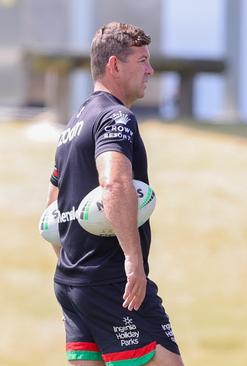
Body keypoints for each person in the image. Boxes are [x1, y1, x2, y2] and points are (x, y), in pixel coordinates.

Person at [44, 22, 183, 365]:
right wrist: (133, 262)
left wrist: (73, 265)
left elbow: (50, 217)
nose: (151, 70)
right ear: (114, 65)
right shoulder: (114, 117)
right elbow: (115, 184)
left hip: (71, 283)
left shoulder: (74, 124)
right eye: (142, 60)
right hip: (113, 283)